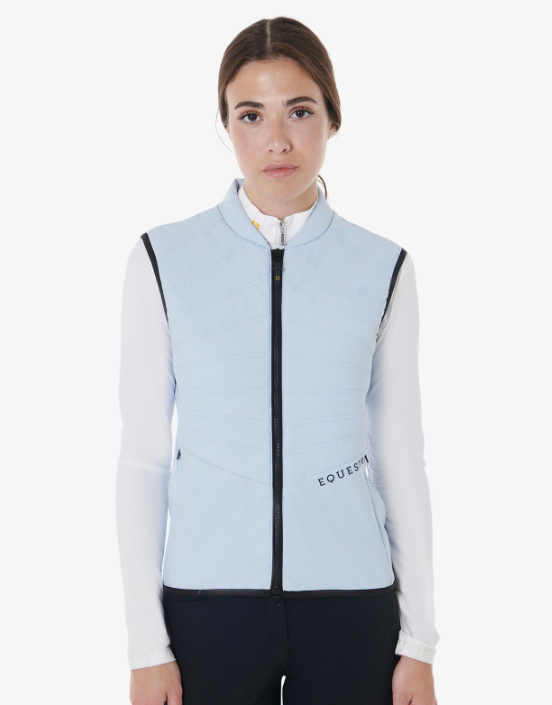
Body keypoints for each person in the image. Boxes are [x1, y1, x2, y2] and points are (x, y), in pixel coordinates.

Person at [116, 16, 440, 705]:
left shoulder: (383, 267)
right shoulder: (163, 259)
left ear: (332, 117)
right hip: (207, 610)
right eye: (250, 115)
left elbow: (400, 459)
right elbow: (144, 461)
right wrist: (147, 646)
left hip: (353, 606)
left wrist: (419, 642)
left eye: (299, 110)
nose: (277, 140)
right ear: (226, 125)